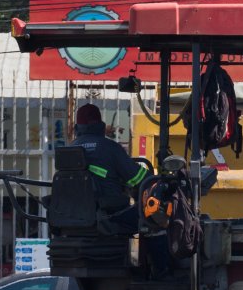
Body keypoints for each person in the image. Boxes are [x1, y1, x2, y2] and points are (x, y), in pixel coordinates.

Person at [70, 103, 171, 276]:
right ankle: (163, 273)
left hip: (73, 218)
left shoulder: (68, 149)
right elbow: (141, 180)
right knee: (153, 218)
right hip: (110, 215)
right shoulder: (109, 148)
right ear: (100, 125)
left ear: (78, 127)